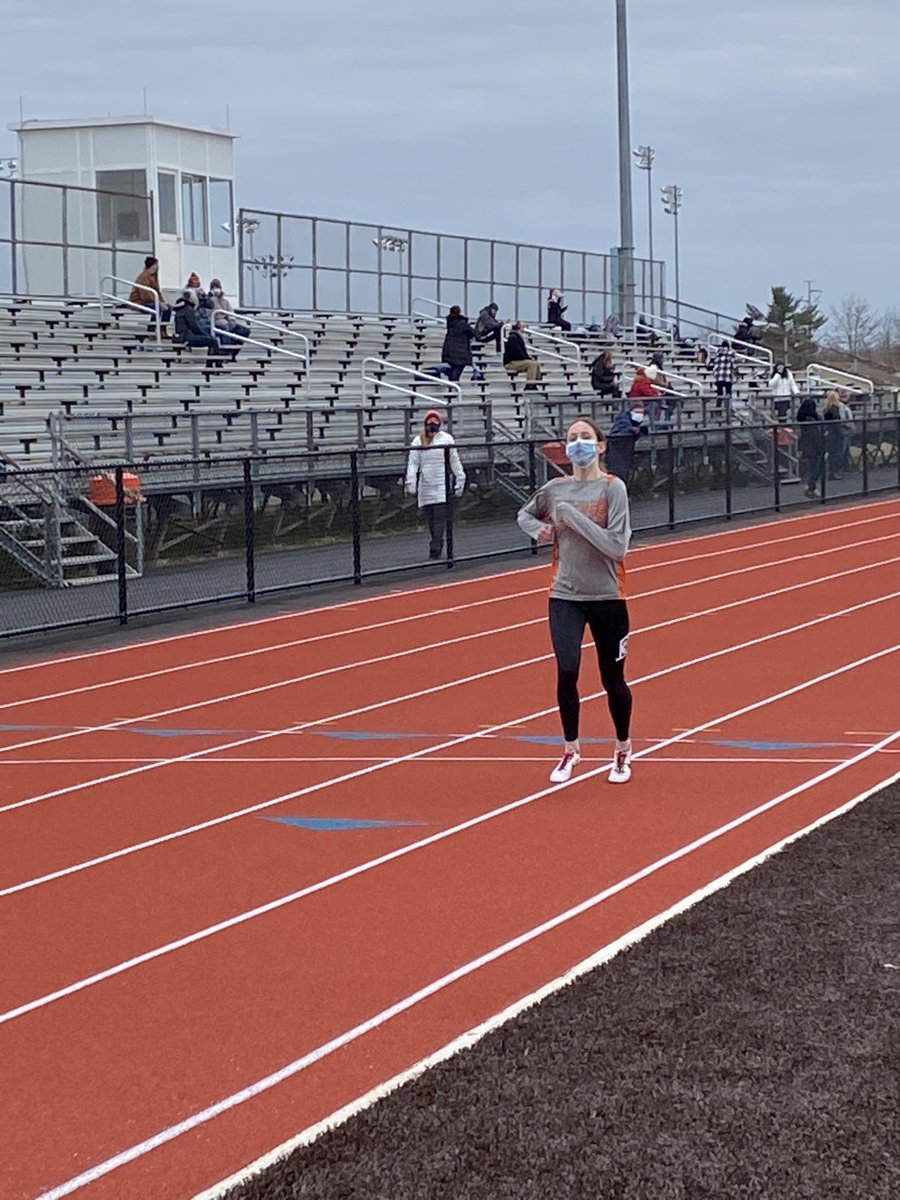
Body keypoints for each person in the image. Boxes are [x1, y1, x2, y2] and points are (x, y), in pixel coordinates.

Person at [517, 416, 634, 785]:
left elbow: (617, 546)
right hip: (565, 594)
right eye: (572, 438)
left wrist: (571, 517)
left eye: (585, 437)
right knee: (567, 671)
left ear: (600, 446)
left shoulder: (613, 489)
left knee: (612, 679)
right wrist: (540, 529)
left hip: (607, 596)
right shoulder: (554, 489)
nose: (578, 443)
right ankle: (570, 749)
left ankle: (622, 750)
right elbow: (523, 514)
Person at [405, 409, 466, 559]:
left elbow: (454, 460)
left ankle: (436, 545)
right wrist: (410, 481)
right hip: (426, 486)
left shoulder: (446, 439)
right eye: (430, 423)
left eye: (435, 423)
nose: (432, 426)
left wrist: (460, 477)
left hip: (442, 485)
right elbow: (413, 463)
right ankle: (437, 541)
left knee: (440, 517)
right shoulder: (418, 441)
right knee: (431, 518)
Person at [172, 288, 224, 366]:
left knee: (212, 340)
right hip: (187, 337)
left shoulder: (181, 308)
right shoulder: (188, 310)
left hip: (181, 337)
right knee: (213, 341)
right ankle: (211, 366)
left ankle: (215, 365)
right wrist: (206, 335)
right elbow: (195, 327)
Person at [605, 401, 648, 485]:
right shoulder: (623, 418)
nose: (639, 415)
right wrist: (633, 430)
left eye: (641, 412)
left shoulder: (635, 421)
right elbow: (622, 428)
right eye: (637, 412)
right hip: (617, 455)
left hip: (626, 454)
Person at [129, 256, 171, 336]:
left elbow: (157, 291)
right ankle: (151, 329)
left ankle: (163, 329)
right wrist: (158, 302)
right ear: (151, 265)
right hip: (139, 301)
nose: (158, 266)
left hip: (153, 300)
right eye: (156, 264)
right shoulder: (143, 277)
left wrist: (163, 301)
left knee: (168, 308)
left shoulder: (154, 276)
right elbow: (146, 296)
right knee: (156, 308)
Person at [208, 279, 251, 355]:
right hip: (216, 323)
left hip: (227, 322)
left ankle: (233, 352)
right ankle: (225, 350)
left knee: (244, 331)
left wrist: (231, 321)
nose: (216, 289)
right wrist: (212, 297)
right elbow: (208, 313)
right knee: (224, 326)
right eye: (214, 287)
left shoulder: (225, 301)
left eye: (217, 287)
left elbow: (231, 313)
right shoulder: (208, 301)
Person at [796, 394, 824, 498]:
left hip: (807, 446)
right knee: (816, 468)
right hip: (813, 447)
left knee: (813, 467)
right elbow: (815, 435)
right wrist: (820, 447)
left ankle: (811, 486)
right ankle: (811, 487)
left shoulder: (803, 419)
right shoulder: (811, 420)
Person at [441, 306, 475, 382]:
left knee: (453, 375)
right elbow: (474, 333)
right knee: (455, 375)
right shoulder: (462, 324)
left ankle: (452, 390)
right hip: (460, 355)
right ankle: (453, 391)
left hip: (449, 354)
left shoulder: (450, 324)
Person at [503, 321, 542, 386]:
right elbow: (517, 354)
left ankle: (537, 382)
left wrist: (528, 358)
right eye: (523, 326)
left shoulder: (517, 337)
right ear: (519, 328)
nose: (524, 328)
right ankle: (529, 385)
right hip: (511, 363)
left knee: (536, 363)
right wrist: (528, 358)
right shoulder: (513, 338)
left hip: (516, 361)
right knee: (532, 364)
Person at [823, 390, 846, 481]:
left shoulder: (827, 409)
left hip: (831, 432)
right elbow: (835, 423)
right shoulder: (833, 409)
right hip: (835, 433)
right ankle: (833, 472)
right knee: (835, 453)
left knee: (833, 454)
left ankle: (832, 472)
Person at [712, 341, 736, 406]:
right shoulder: (731, 353)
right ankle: (729, 407)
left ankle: (718, 408)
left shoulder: (717, 353)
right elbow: (734, 365)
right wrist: (736, 375)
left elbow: (715, 364)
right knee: (728, 393)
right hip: (727, 375)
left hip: (718, 376)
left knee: (719, 393)